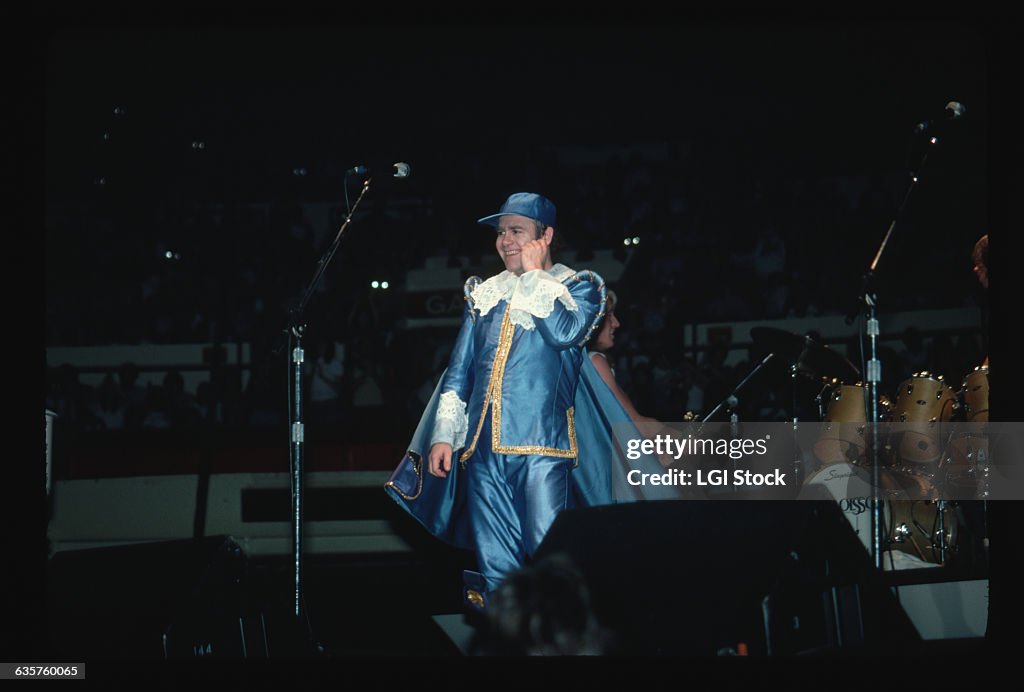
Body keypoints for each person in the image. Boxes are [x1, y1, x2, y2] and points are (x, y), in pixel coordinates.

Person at [386, 192, 607, 602]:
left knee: (548, 560)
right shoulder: (485, 294)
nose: (505, 240)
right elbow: (460, 370)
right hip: (483, 451)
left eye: (517, 231)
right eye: (502, 232)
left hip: (542, 447)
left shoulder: (578, 287)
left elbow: (564, 334)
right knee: (496, 569)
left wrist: (536, 275)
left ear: (546, 236)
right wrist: (443, 435)